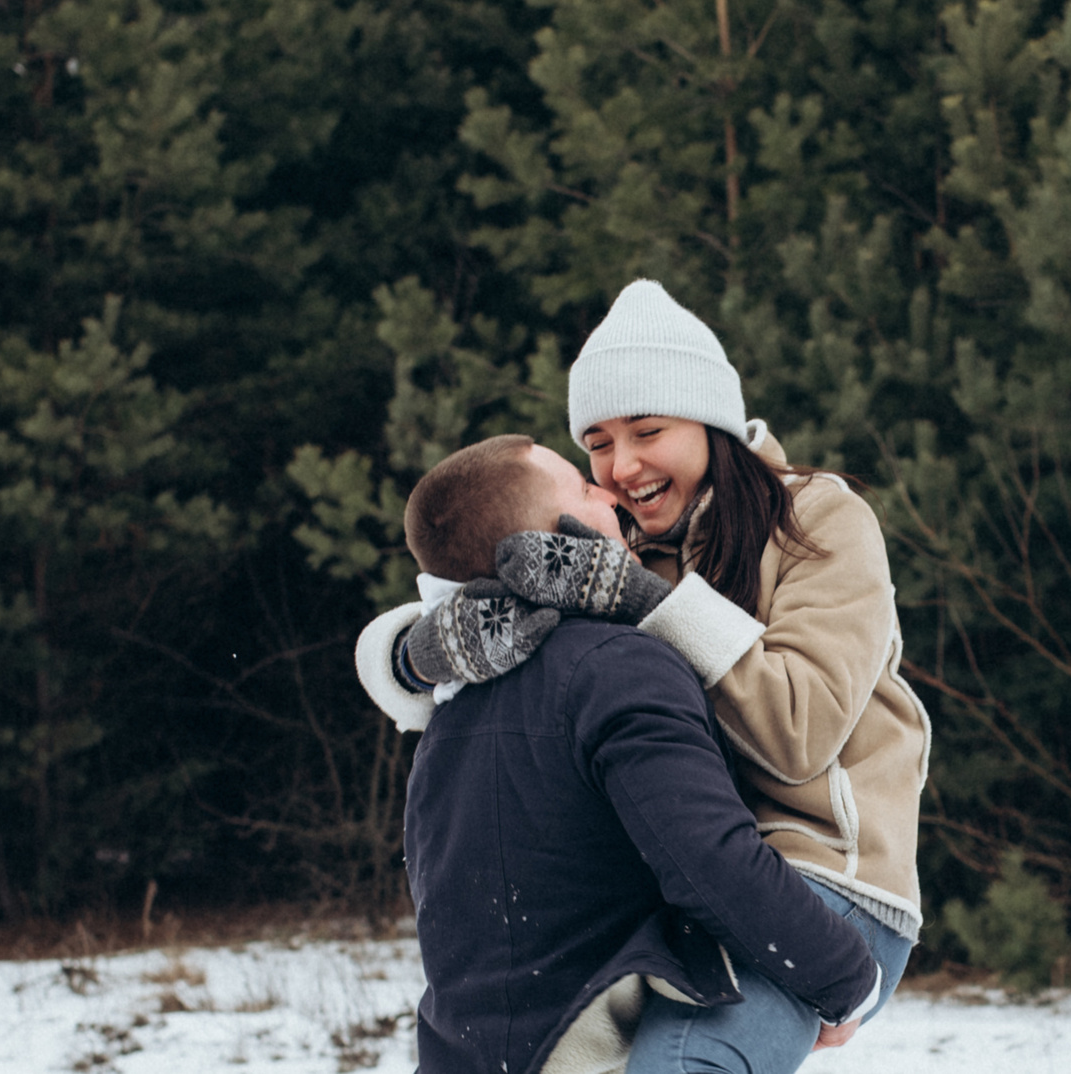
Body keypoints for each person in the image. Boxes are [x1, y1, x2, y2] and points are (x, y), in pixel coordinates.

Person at [501, 279, 932, 1074]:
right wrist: (423, 648)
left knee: (680, 1067)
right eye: (597, 442)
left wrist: (645, 601)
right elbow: (462, 556)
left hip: (822, 884)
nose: (622, 464)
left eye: (647, 429)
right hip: (675, 892)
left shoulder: (818, 523)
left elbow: (798, 732)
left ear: (710, 421)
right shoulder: (613, 544)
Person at [374, 433, 881, 1074]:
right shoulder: (620, 669)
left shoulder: (446, 716)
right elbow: (710, 862)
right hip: (583, 1050)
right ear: (551, 539)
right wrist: (845, 976)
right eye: (587, 490)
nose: (609, 490)